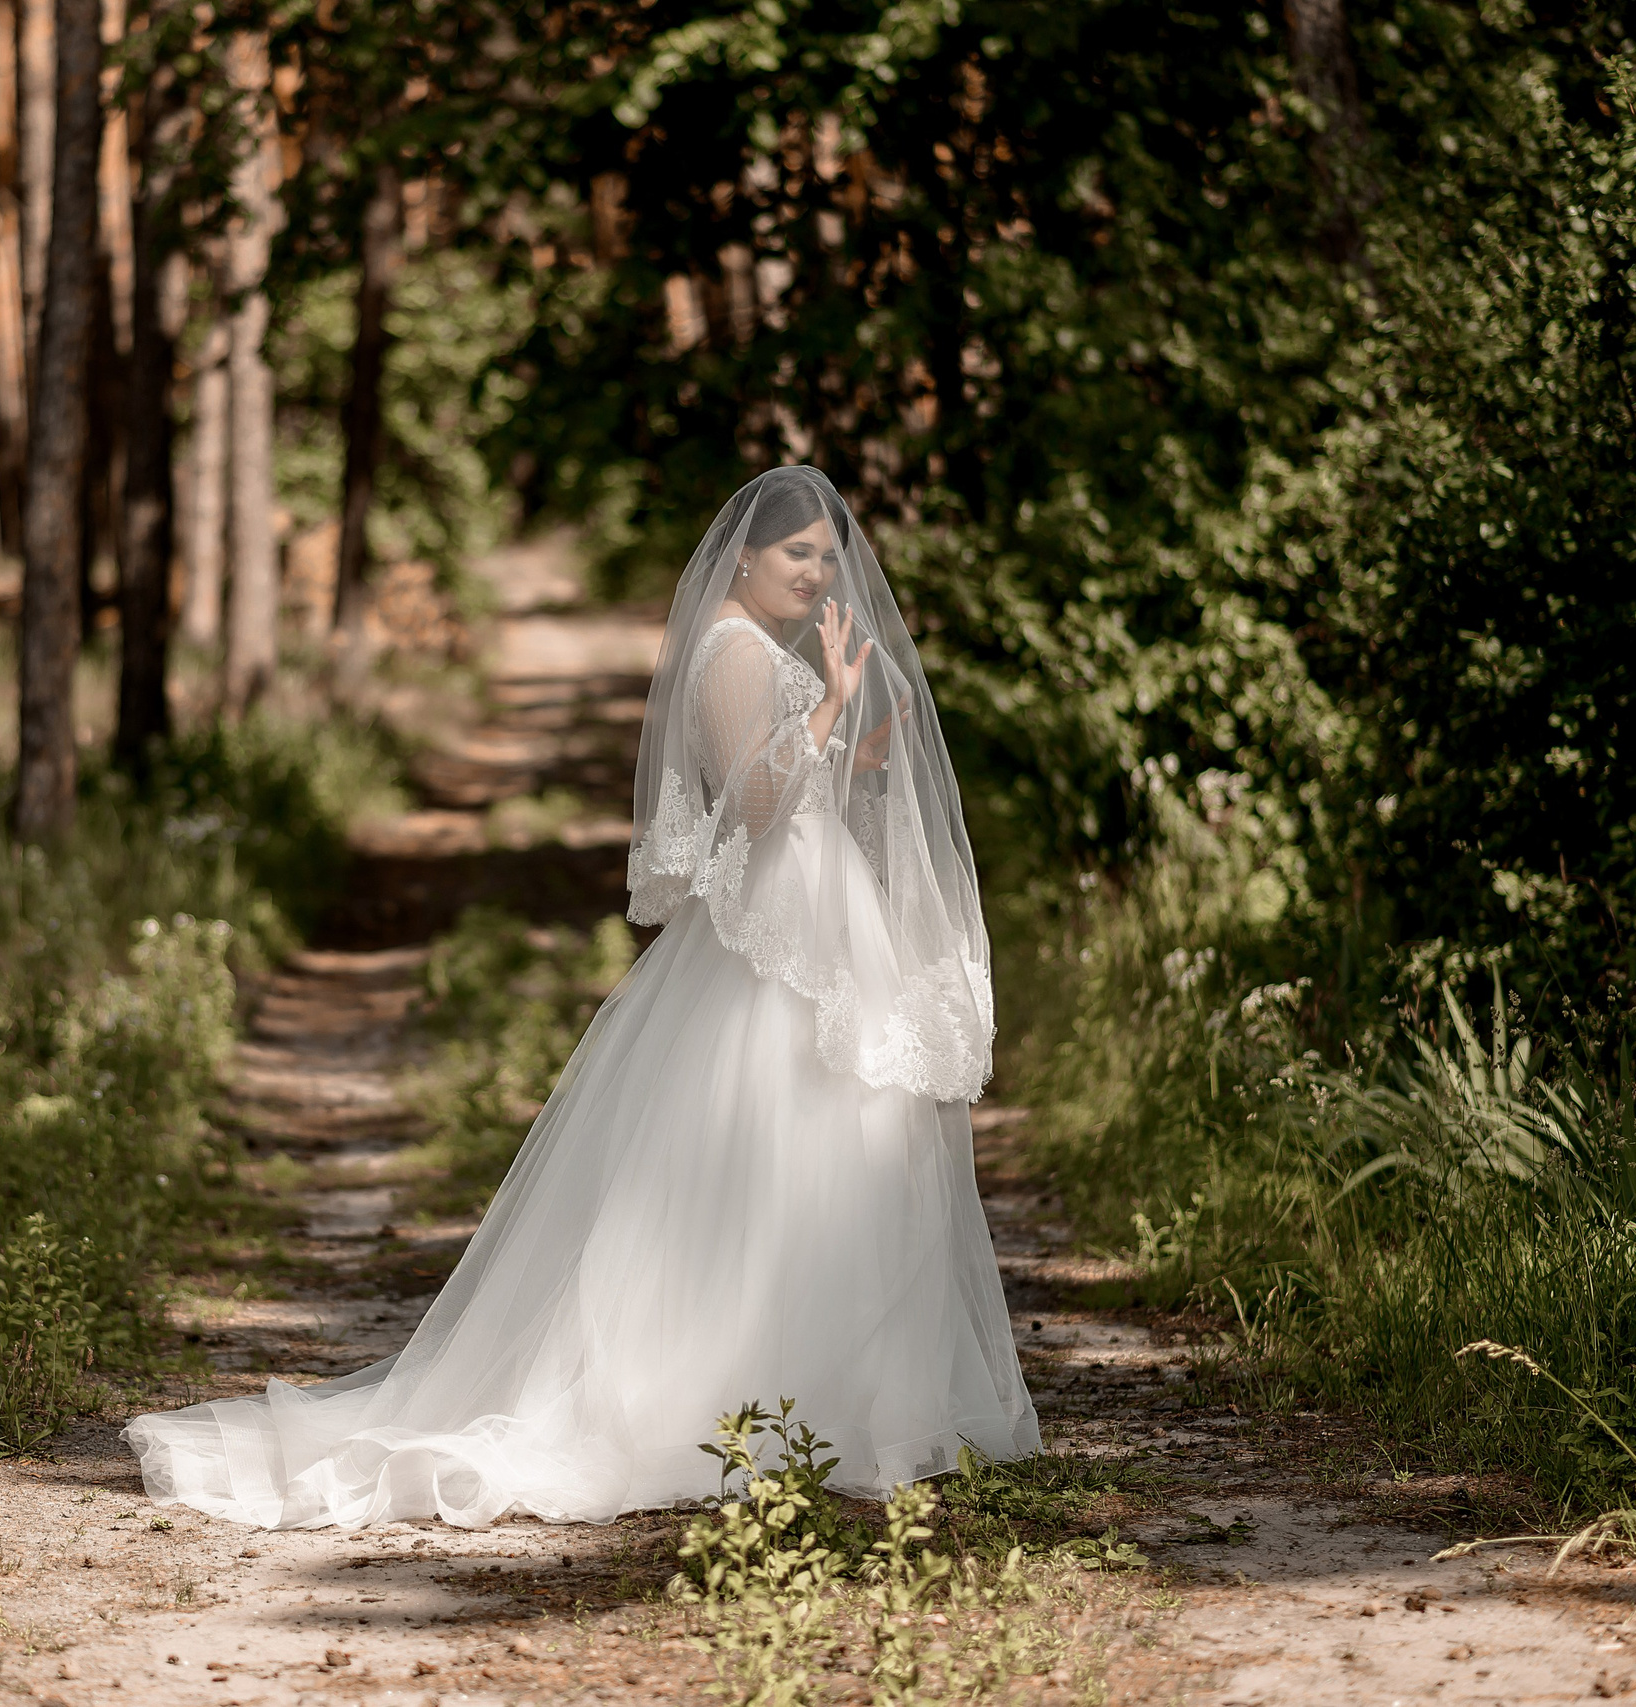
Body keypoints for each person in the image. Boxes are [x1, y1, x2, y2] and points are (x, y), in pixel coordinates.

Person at [124, 467, 1039, 1529]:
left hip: (809, 918)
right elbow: (749, 801)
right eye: (799, 553)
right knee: (773, 1145)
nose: (817, 571)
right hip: (768, 946)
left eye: (828, 556)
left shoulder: (763, 653)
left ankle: (823, 1387)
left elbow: (794, 786)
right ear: (744, 555)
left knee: (836, 1144)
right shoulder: (731, 652)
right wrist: (832, 705)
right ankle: (741, 1396)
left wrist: (853, 741)